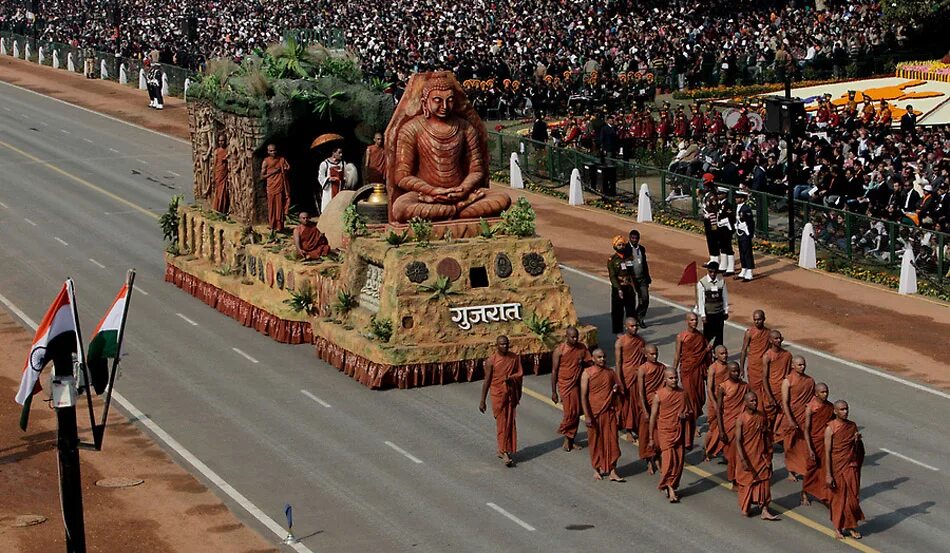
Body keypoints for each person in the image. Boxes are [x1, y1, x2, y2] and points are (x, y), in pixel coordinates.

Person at [389, 73, 511, 222]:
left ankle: (450, 210)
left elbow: (477, 170)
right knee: (401, 208)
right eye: (437, 101)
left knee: (502, 199)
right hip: (424, 196)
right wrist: (432, 191)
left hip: (462, 193)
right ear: (425, 102)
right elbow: (402, 176)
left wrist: (463, 189)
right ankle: (459, 209)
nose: (445, 106)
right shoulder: (411, 129)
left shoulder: (465, 128)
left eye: (450, 100)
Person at [734, 392, 780, 520]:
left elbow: (766, 436)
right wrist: (743, 460)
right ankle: (746, 506)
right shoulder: (741, 419)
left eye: (756, 400)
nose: (755, 403)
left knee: (764, 481)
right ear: (746, 403)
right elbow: (738, 440)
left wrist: (769, 454)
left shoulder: (761, 417)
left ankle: (764, 509)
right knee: (747, 483)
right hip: (747, 455)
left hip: (761, 455)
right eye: (752, 401)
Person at [479, 336, 524, 467]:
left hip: (510, 394)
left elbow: (520, 374)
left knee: (509, 422)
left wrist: (512, 378)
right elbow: (487, 381)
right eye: (502, 344)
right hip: (498, 394)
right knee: (501, 423)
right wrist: (482, 400)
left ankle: (504, 449)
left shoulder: (514, 358)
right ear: (497, 345)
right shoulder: (491, 361)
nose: (505, 346)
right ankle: (503, 451)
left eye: (506, 344)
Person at [581, 349, 624, 481]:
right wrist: (587, 416)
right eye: (599, 357)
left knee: (612, 441)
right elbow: (583, 396)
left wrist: (616, 390)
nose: (602, 359)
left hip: (608, 412)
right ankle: (596, 468)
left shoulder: (610, 372)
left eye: (604, 357)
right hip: (594, 413)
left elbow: (619, 389)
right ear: (593, 359)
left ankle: (613, 470)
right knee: (595, 442)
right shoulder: (587, 373)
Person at [825, 400, 865, 539]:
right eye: (841, 409)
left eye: (846, 409)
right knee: (839, 499)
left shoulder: (852, 426)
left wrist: (858, 440)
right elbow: (828, 452)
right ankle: (838, 527)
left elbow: (855, 447)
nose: (845, 412)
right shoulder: (830, 428)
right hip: (837, 467)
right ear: (835, 411)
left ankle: (851, 525)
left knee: (853, 498)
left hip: (850, 465)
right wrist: (829, 475)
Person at [649, 368, 690, 502]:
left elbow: (689, 411)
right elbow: (653, 417)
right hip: (665, 431)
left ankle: (671, 484)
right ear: (665, 380)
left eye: (676, 377)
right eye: (671, 378)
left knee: (678, 461)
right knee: (668, 461)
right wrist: (650, 437)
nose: (674, 380)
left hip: (678, 430)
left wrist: (684, 416)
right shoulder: (659, 395)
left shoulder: (683, 393)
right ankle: (670, 489)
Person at [551, 327, 591, 452]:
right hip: (565, 385)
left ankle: (571, 439)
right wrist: (553, 392)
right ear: (566, 337)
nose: (575, 339)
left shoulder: (581, 348)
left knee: (577, 411)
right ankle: (566, 435)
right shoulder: (559, 351)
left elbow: (589, 362)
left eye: (576, 337)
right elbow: (554, 371)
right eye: (572, 337)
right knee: (570, 412)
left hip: (577, 383)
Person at [673, 312, 711, 446]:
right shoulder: (681, 337)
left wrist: (707, 352)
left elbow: (705, 352)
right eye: (692, 320)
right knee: (691, 399)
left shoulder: (700, 336)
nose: (694, 322)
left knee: (700, 398)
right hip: (687, 371)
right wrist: (673, 370)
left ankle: (693, 420)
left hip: (698, 371)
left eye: (696, 320)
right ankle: (692, 427)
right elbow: (678, 354)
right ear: (687, 321)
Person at [779, 356, 816, 481]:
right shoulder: (788, 381)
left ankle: (803, 468)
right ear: (793, 366)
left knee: (804, 444)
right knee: (789, 444)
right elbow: (785, 402)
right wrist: (790, 419)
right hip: (791, 416)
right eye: (799, 365)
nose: (802, 367)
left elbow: (812, 400)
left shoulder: (810, 381)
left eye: (803, 364)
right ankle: (791, 470)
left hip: (804, 416)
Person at [716, 362, 749, 484]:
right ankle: (734, 479)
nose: (736, 373)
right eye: (733, 371)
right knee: (732, 454)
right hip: (728, 422)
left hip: (741, 423)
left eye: (737, 371)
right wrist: (721, 430)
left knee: (742, 452)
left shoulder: (744, 386)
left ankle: (741, 477)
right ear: (728, 372)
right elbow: (719, 409)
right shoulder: (723, 387)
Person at [615, 317, 646, 443]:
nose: (635, 328)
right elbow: (618, 363)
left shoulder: (640, 341)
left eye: (636, 326)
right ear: (626, 326)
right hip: (626, 375)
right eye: (632, 326)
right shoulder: (620, 342)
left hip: (637, 376)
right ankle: (628, 430)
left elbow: (644, 358)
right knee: (627, 404)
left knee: (637, 403)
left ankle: (636, 426)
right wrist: (619, 381)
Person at [802, 382, 834, 506]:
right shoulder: (810, 408)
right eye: (822, 392)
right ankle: (804, 492)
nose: (825, 394)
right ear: (816, 393)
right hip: (814, 442)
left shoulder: (830, 407)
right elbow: (806, 429)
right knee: (811, 469)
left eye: (826, 391)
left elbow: (832, 424)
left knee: (825, 470)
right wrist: (810, 448)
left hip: (825, 442)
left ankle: (824, 495)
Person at [637, 343, 667, 474]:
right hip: (647, 405)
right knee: (645, 435)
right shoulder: (642, 369)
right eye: (652, 354)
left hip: (659, 405)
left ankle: (657, 458)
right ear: (646, 354)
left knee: (658, 434)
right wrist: (644, 410)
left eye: (656, 353)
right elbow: (641, 392)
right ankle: (649, 460)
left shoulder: (662, 368)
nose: (655, 356)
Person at [703, 345, 730, 461]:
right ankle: (706, 450)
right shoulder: (713, 368)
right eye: (722, 353)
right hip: (714, 401)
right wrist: (714, 403)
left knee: (726, 428)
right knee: (713, 428)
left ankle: (724, 451)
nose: (725, 356)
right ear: (715, 355)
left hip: (726, 401)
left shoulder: (729, 367)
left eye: (725, 353)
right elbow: (709, 388)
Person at [762, 330, 792, 429]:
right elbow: (765, 377)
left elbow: (789, 374)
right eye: (776, 338)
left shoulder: (787, 355)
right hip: (772, 390)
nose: (778, 340)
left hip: (783, 390)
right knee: (769, 418)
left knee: (783, 415)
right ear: (770, 340)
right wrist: (770, 396)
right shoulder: (767, 356)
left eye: (780, 338)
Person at [695, 261, 729, 347]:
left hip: (719, 313)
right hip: (708, 314)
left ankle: (718, 354)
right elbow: (701, 300)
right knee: (708, 336)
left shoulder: (722, 282)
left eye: (715, 272)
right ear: (708, 271)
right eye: (710, 271)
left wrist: (726, 311)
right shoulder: (702, 283)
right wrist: (703, 315)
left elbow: (725, 297)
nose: (713, 274)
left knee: (719, 335)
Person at [608, 235, 637, 333]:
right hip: (618, 288)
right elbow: (612, 276)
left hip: (628, 287)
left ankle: (631, 328)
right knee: (617, 312)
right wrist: (618, 289)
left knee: (631, 310)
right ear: (615, 246)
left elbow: (632, 273)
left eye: (623, 244)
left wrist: (635, 287)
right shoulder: (612, 260)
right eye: (619, 245)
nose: (621, 246)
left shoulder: (629, 258)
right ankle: (618, 331)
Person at [739, 310, 770, 402]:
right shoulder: (749, 332)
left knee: (766, 389)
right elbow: (744, 350)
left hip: (764, 366)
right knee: (755, 390)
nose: (757, 322)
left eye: (759, 319)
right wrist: (741, 368)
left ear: (764, 319)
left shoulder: (768, 333)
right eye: (755, 320)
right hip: (754, 366)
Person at [260, 144, 291, 232]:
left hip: (279, 185)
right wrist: (273, 172)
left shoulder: (281, 159)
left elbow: (288, 167)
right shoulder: (266, 161)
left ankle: (279, 226)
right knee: (271, 206)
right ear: (268, 152)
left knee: (279, 206)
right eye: (271, 151)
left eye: (274, 150)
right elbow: (262, 176)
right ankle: (272, 224)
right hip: (271, 186)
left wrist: (285, 168)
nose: (273, 152)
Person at [627, 229, 652, 325]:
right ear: (629, 238)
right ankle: (631, 319)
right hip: (632, 279)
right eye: (632, 238)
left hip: (642, 278)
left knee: (645, 299)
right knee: (631, 301)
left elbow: (644, 264)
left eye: (636, 238)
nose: (634, 240)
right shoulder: (626, 249)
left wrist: (648, 277)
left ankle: (640, 317)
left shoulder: (641, 249)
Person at [318, 146, 346, 215]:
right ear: (333, 153)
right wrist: (329, 179)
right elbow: (320, 177)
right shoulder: (325, 164)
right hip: (329, 190)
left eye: (341, 153)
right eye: (339, 153)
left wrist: (343, 179)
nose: (341, 155)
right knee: (328, 207)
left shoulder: (343, 163)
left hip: (339, 189)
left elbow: (346, 175)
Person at [700, 174, 720, 267]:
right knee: (710, 239)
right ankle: (712, 258)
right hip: (707, 219)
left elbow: (714, 210)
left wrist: (714, 223)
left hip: (712, 220)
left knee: (713, 239)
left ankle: (716, 259)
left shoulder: (712, 195)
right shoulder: (707, 194)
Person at [734, 190, 755, 281]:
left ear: (742, 199)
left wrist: (750, 233)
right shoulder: (738, 207)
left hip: (745, 233)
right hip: (740, 232)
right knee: (742, 252)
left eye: (738, 198)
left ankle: (749, 271)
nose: (736, 199)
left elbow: (750, 222)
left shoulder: (746, 209)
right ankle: (744, 269)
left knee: (747, 252)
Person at [715, 187, 737, 275]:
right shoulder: (720, 204)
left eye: (720, 194)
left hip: (727, 229)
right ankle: (723, 265)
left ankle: (731, 268)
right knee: (722, 246)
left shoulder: (728, 205)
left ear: (724, 195)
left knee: (728, 247)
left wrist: (721, 222)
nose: (718, 195)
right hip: (720, 229)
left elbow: (730, 217)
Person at [212, 134, 230, 214]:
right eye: (219, 141)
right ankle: (217, 207)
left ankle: (223, 208)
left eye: (222, 140)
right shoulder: (217, 151)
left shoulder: (227, 151)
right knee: (218, 191)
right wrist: (213, 175)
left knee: (224, 191)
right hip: (219, 173)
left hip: (225, 174)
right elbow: (215, 164)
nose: (221, 142)